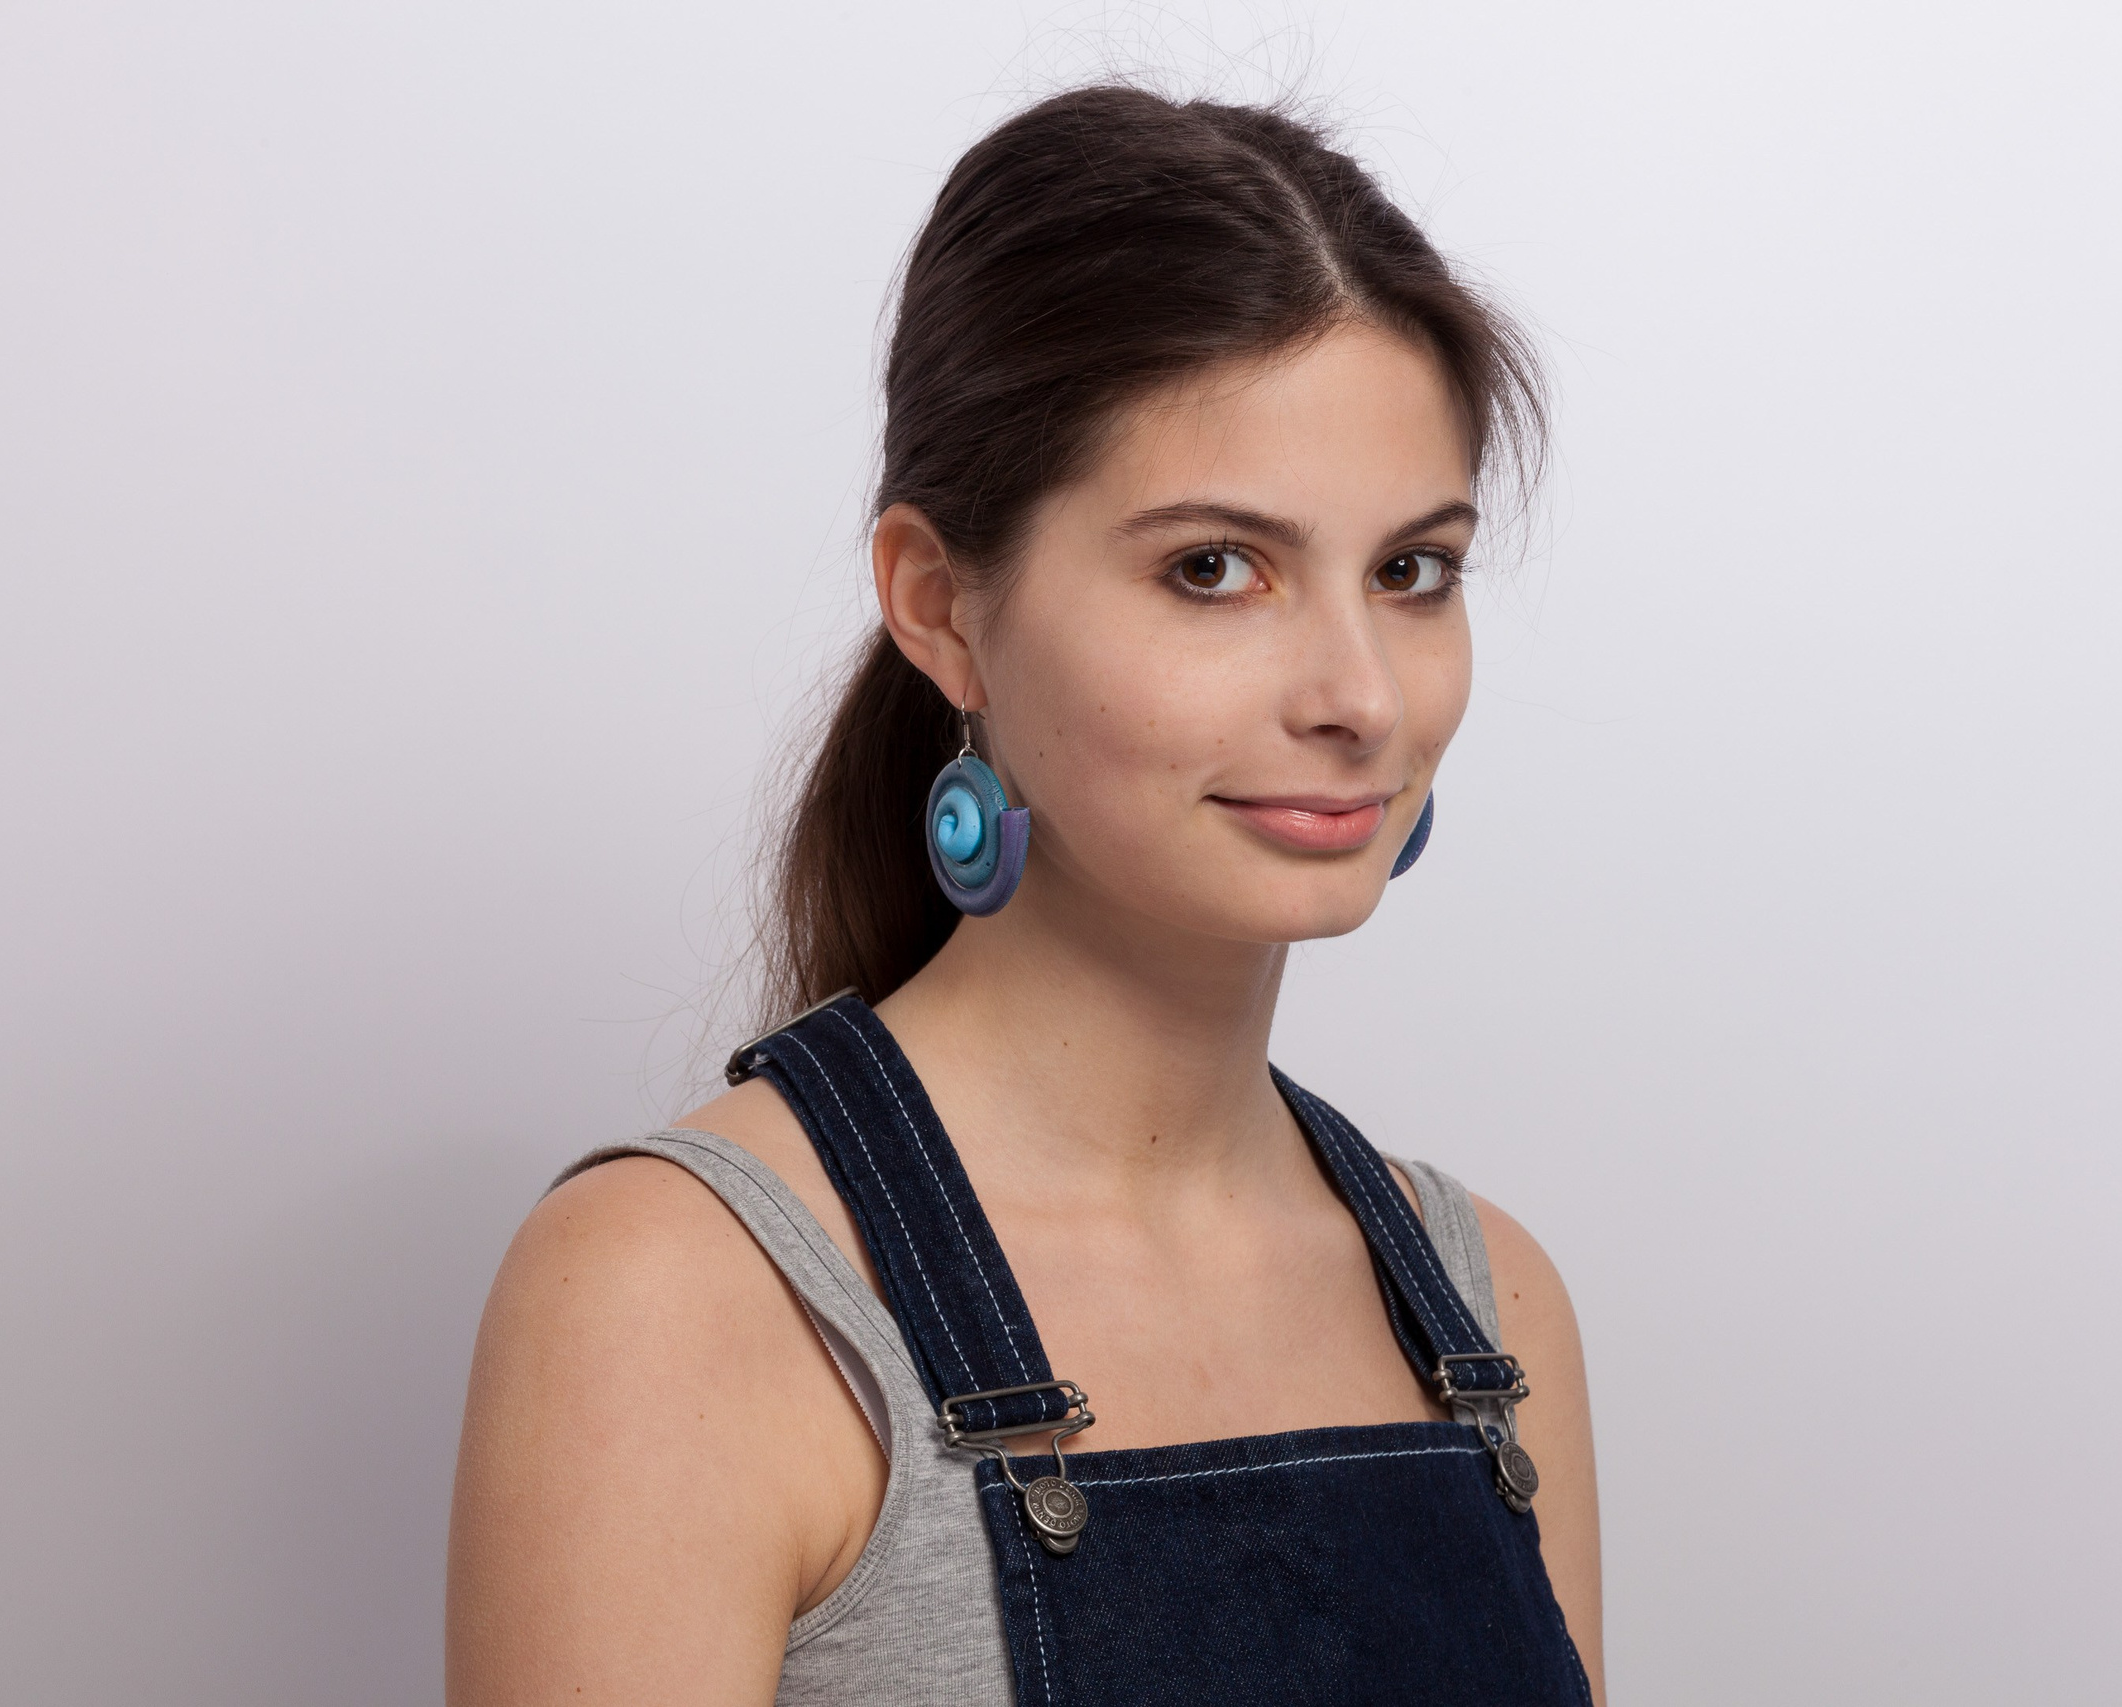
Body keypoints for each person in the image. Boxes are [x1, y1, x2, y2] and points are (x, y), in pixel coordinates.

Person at [448, 84, 1602, 1705]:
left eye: (1412, 571)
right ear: (941, 606)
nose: (1362, 696)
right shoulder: (680, 1297)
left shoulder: (1490, 1311)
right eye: (1215, 568)